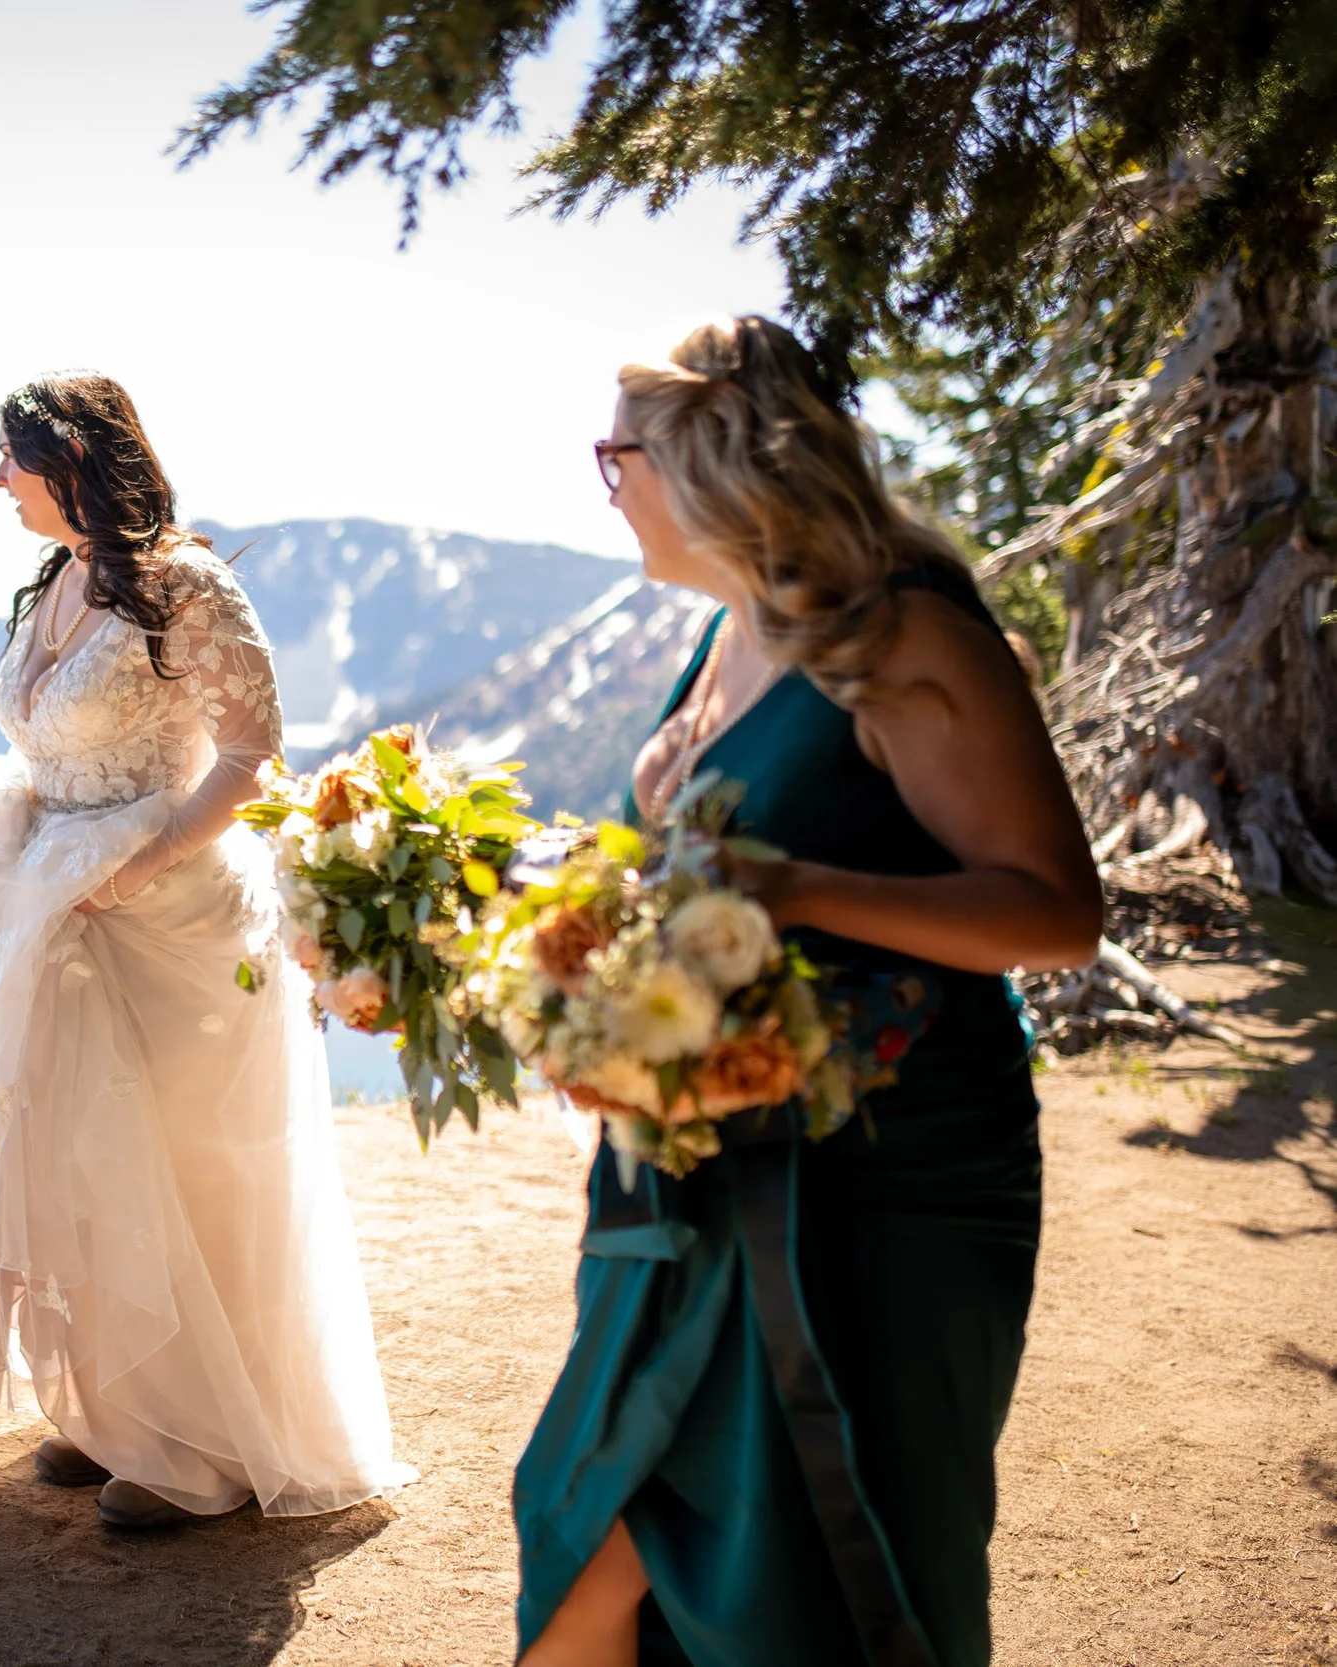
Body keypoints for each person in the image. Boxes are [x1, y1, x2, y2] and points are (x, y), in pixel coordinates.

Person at [515, 317, 1102, 1665]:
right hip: (703, 1158)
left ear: (711, 456)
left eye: (617, 455)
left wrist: (805, 890)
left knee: (821, 1565)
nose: (605, 485)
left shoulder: (902, 638)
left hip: (883, 1179)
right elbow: (703, 880)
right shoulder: (732, 629)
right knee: (592, 1532)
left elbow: (1061, 912)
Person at [0, 371, 415, 1529]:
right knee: (70, 1157)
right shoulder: (58, 579)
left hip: (161, 907)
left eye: (10, 459)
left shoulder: (189, 582)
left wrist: (133, 863)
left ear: (69, 459)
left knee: (181, 1162)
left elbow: (251, 752)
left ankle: (204, 1447)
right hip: (41, 893)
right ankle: (114, 1407)